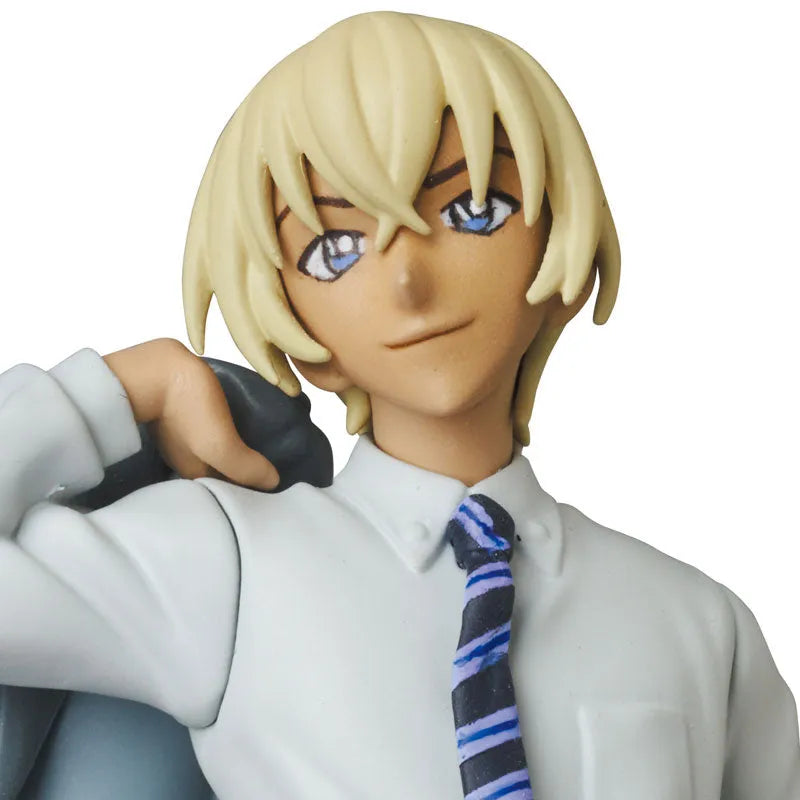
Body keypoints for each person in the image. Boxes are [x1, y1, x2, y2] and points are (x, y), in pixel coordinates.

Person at [1, 11, 798, 799]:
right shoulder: (228, 565)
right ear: (290, 313)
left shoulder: (698, 623)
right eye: (335, 249)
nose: (409, 282)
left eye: (473, 210)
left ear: (561, 243)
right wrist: (112, 390)